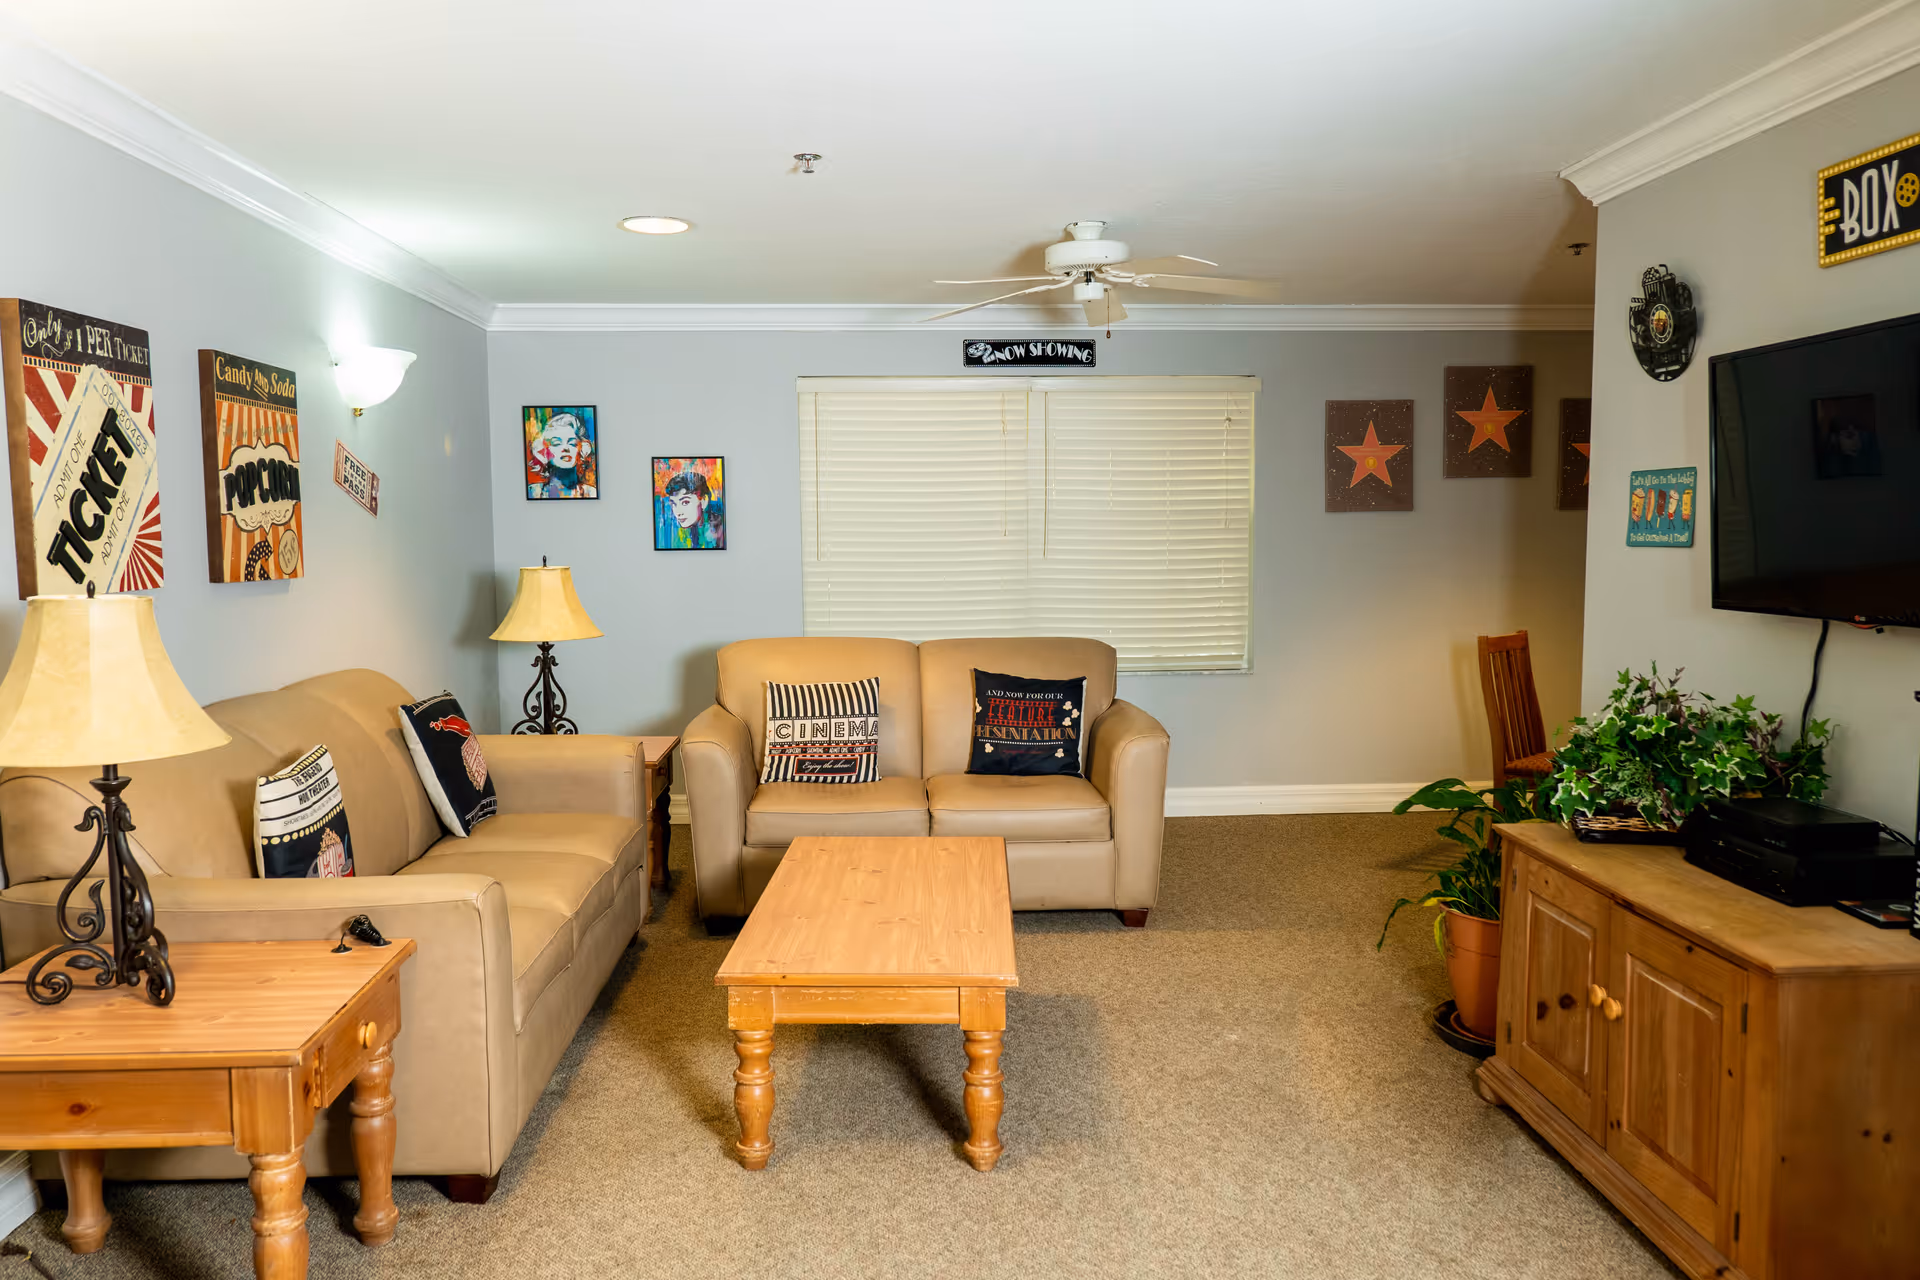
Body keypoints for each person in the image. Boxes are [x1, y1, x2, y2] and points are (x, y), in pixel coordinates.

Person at [528, 412, 596, 499]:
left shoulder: (591, 493)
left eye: (572, 443)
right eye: (556, 443)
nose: (565, 448)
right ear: (545, 451)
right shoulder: (533, 492)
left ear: (581, 449)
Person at [658, 468, 725, 549]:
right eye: (673, 504)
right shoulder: (682, 533)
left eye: (685, 502)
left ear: (704, 501)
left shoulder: (719, 531)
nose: (678, 512)